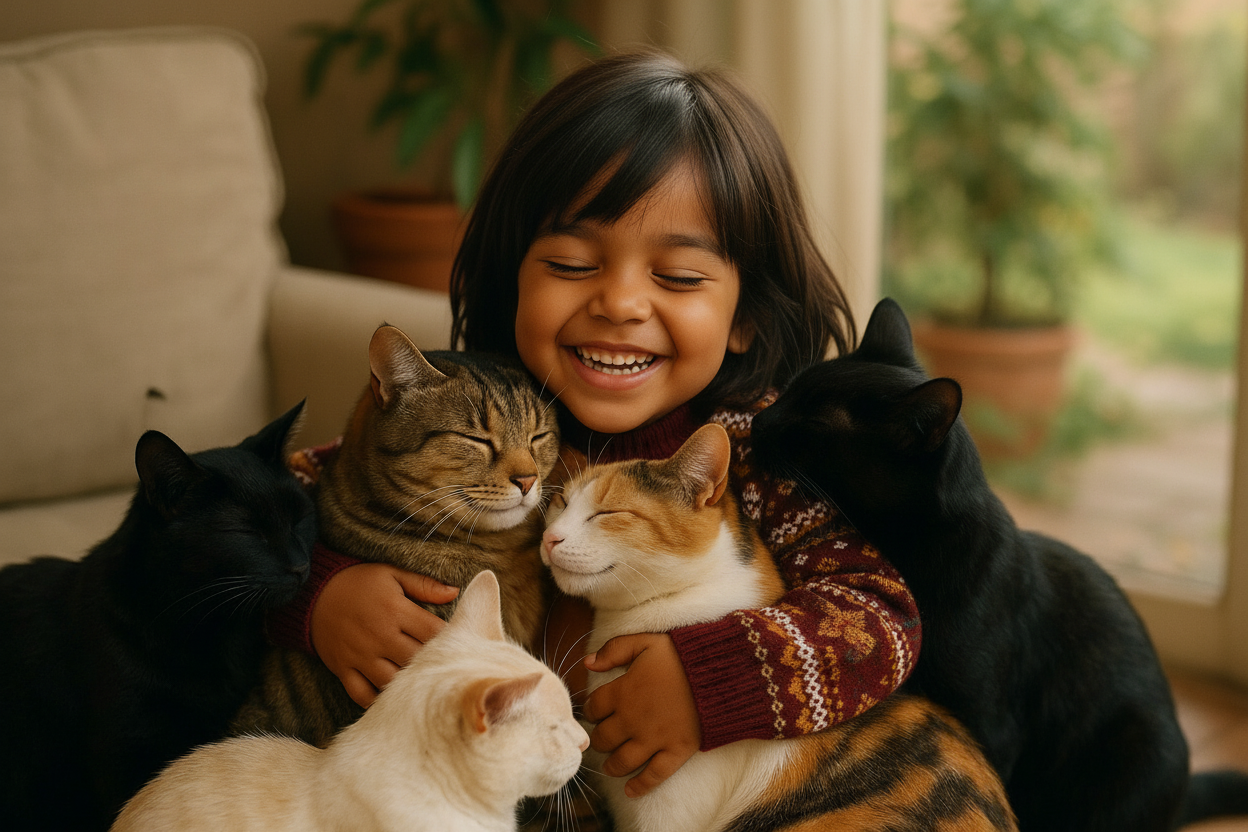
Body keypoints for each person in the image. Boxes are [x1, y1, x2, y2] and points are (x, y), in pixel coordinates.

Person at [268, 50, 920, 800]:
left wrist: (710, 681)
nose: (620, 303)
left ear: (745, 317)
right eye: (573, 264)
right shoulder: (481, 415)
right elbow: (264, 509)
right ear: (513, 278)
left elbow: (881, 616)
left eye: (676, 277)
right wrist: (319, 599)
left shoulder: (763, 453)